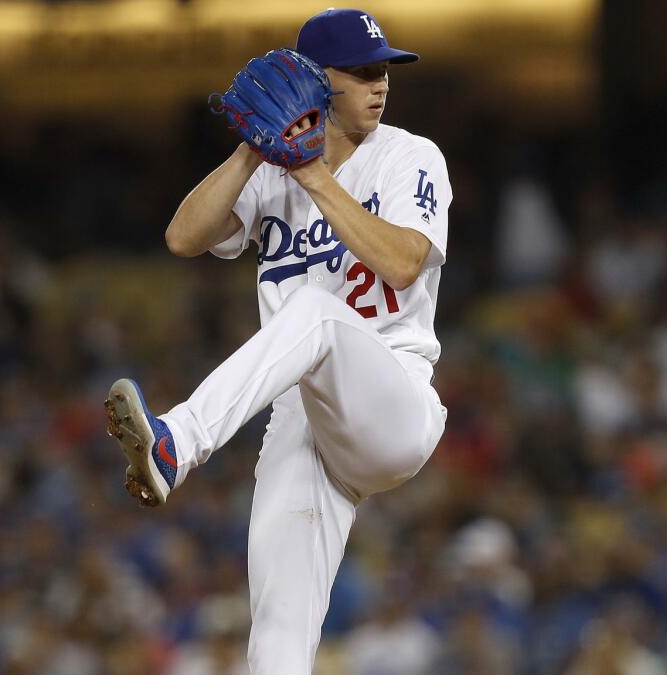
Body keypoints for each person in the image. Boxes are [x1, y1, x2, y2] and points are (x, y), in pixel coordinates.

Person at [103, 8, 451, 674]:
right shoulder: (268, 174)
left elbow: (404, 263)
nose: (380, 84)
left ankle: (176, 442)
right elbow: (183, 237)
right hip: (303, 415)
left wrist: (312, 175)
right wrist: (252, 148)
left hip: (392, 397)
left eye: (385, 70)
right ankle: (173, 446)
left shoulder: (409, 156)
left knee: (315, 310)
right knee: (277, 643)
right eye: (361, 71)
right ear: (318, 81)